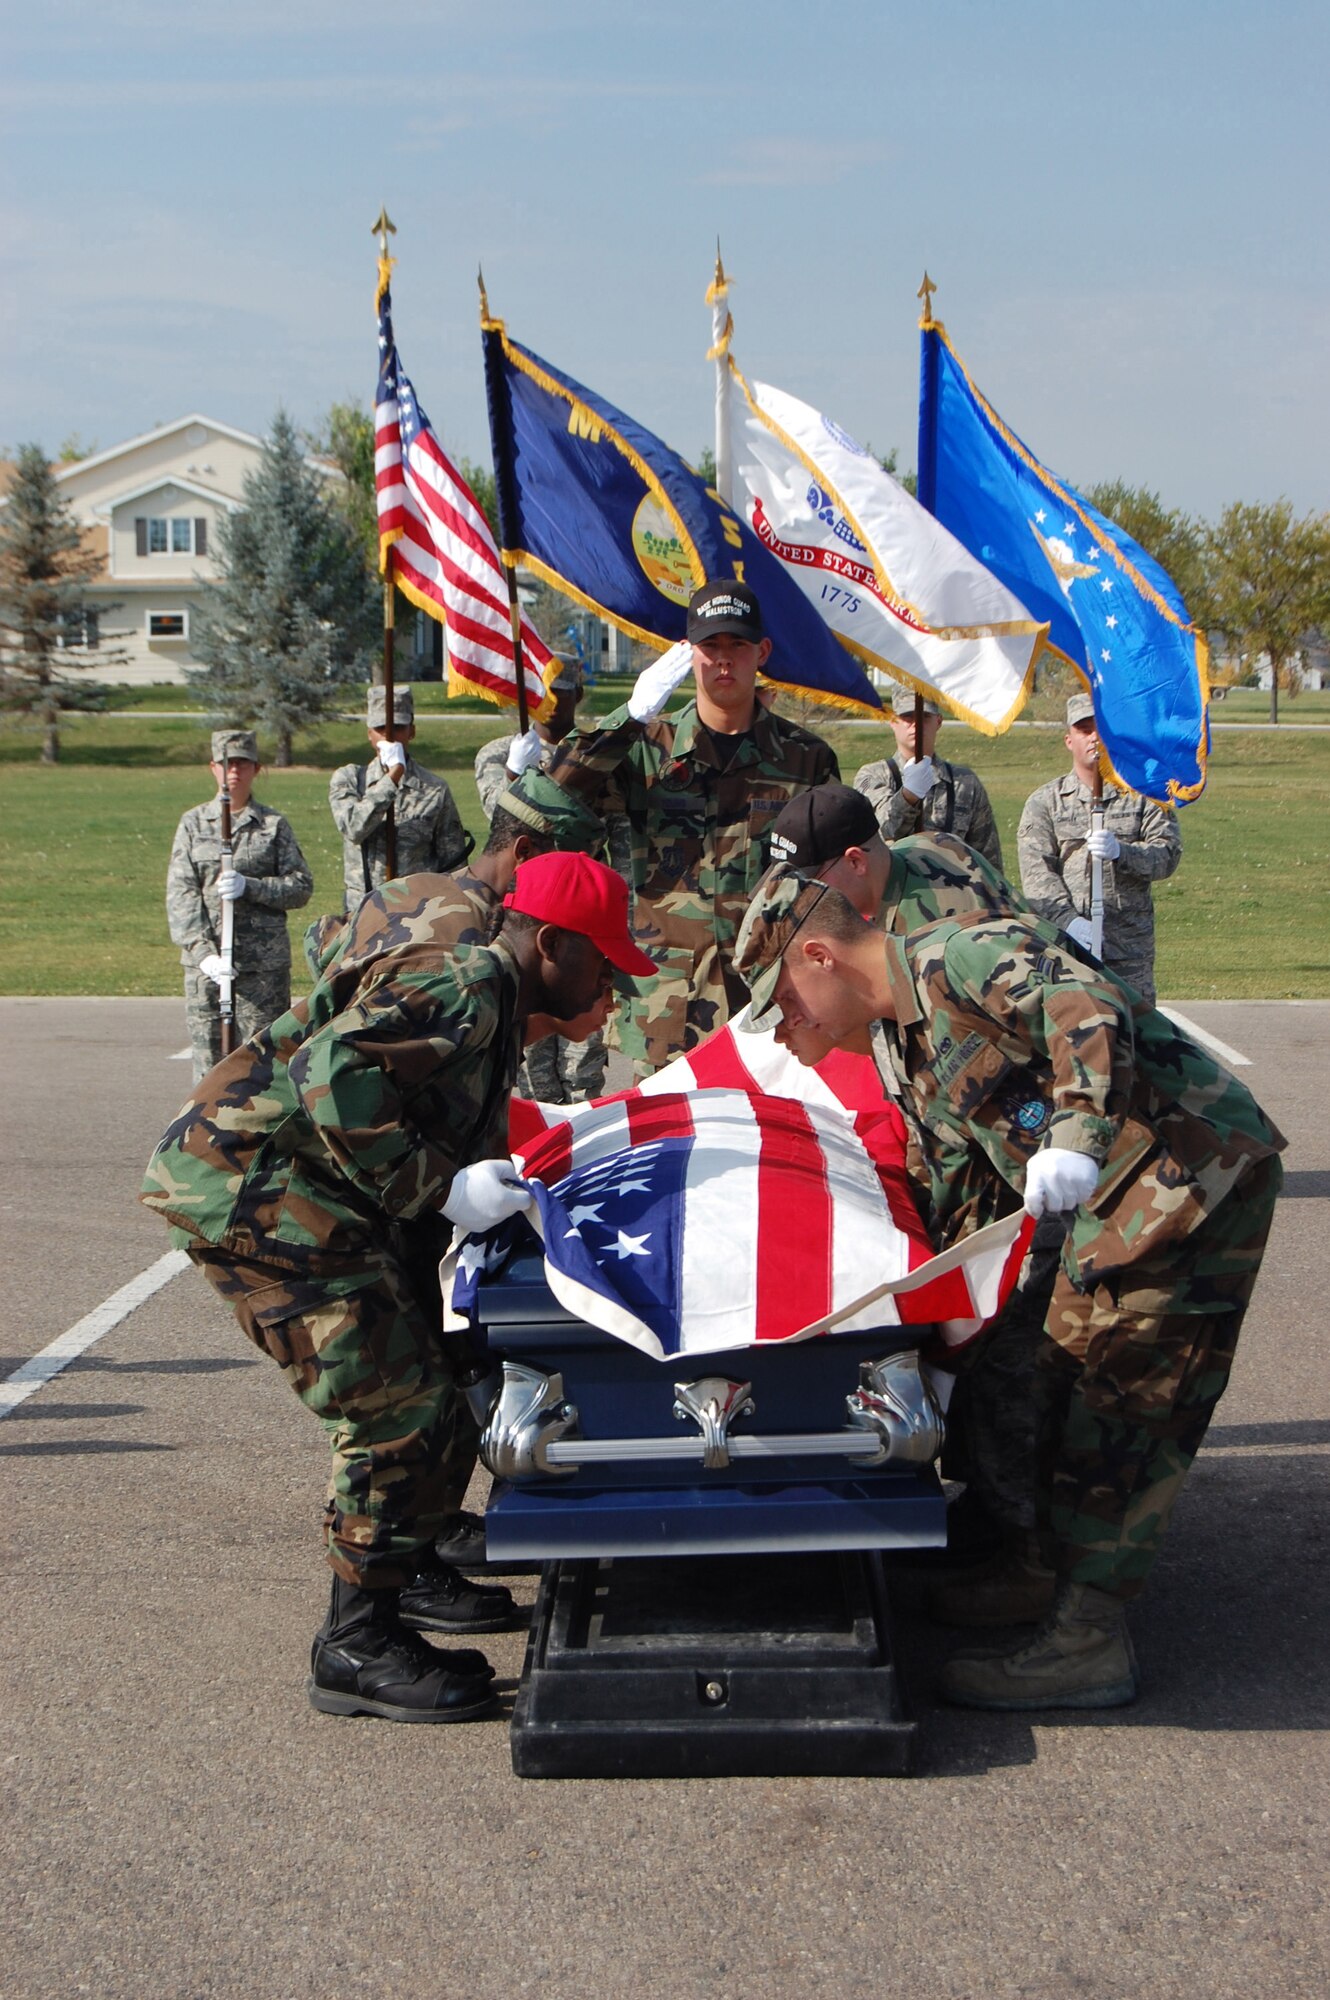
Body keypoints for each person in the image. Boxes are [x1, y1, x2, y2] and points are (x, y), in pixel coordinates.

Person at [733, 867, 1284, 1709]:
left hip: (1191, 1182)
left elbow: (1083, 1007)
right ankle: (1037, 1571)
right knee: (1049, 1374)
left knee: (1124, 1403)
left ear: (820, 955)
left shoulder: (960, 955)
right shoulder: (900, 1035)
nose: (786, 1029)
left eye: (786, 1003)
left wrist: (1075, 1131)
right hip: (1114, 1208)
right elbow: (961, 1173)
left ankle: (1089, 1640)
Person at [140, 851, 655, 1723]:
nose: (613, 983)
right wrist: (442, 1190)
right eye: (602, 960)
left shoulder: (494, 997)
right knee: (398, 1409)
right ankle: (354, 1642)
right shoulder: (470, 985)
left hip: (316, 1193)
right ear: (554, 945)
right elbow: (331, 1075)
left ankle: (407, 1564)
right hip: (253, 1191)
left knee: (442, 1362)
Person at [544, 579, 838, 1074]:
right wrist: (629, 718)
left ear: (761, 652)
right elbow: (556, 794)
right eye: (711, 646)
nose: (724, 660)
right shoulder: (642, 750)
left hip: (770, 1005)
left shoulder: (805, 759)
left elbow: (832, 884)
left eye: (737, 645)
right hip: (663, 1012)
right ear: (688, 654)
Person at [166, 729, 313, 1083]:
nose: (233, 771)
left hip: (262, 970)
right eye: (225, 763)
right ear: (212, 768)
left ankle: (262, 1139)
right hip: (208, 968)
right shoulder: (193, 824)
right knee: (209, 1071)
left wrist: (253, 887)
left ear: (256, 769)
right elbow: (181, 894)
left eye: (242, 763)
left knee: (264, 1068)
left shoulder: (272, 825)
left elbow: (300, 887)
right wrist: (204, 954)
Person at [1017, 692, 1182, 1005]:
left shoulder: (1143, 794)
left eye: (1102, 728)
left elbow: (1168, 855)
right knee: (1077, 1039)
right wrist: (1069, 921)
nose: (1095, 738)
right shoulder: (1045, 802)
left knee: (1135, 1042)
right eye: (1084, 730)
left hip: (1128, 954)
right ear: (1069, 740)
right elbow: (1037, 874)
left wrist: (1123, 853)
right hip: (1067, 947)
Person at [328, 685, 469, 916]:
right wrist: (392, 777)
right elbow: (353, 828)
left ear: (411, 731)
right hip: (362, 915)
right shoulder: (350, 779)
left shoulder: (434, 789)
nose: (390, 736)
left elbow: (454, 866)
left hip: (417, 916)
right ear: (369, 734)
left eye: (398, 728)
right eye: (381, 728)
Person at [854, 686, 1003, 868]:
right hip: (896, 890)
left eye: (924, 717)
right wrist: (908, 796)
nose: (916, 724)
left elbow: (987, 859)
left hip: (952, 890)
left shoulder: (965, 783)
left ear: (938, 721)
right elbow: (886, 830)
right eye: (907, 716)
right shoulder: (873, 776)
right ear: (892, 721)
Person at [473, 657, 585, 819]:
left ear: (578, 695)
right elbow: (495, 814)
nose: (550, 700)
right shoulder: (498, 753)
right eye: (541, 692)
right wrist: (513, 774)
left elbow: (618, 822)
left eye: (559, 691)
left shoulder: (595, 751)